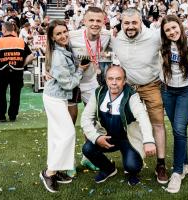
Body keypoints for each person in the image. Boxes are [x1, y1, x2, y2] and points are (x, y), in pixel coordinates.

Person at [111, 8, 168, 184]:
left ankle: (161, 164)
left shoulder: (155, 36)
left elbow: (179, 41)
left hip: (151, 85)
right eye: (126, 23)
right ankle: (133, 159)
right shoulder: (115, 38)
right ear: (121, 23)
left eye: (134, 22)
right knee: (129, 124)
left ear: (141, 22)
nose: (130, 27)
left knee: (157, 123)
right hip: (128, 88)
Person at [81, 65, 156, 186]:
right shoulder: (99, 93)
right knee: (87, 149)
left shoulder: (132, 95)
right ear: (106, 80)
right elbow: (85, 118)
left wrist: (148, 140)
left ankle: (132, 171)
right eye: (110, 78)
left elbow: (143, 117)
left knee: (132, 166)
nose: (114, 82)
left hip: (128, 139)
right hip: (107, 138)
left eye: (118, 79)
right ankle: (108, 169)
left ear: (124, 81)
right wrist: (96, 138)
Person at [39, 20, 88, 193]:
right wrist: (81, 70)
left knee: (57, 135)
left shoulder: (64, 48)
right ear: (52, 38)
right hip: (55, 98)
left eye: (65, 31)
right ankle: (49, 172)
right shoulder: (59, 55)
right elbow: (68, 84)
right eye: (58, 34)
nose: (63, 35)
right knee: (67, 133)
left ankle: (57, 169)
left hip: (57, 97)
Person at [68, 6, 112, 174]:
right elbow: (53, 45)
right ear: (84, 21)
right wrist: (48, 70)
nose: (95, 24)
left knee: (91, 121)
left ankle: (88, 158)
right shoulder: (72, 36)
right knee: (69, 123)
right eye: (91, 20)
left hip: (90, 82)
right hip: (71, 83)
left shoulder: (107, 36)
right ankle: (68, 161)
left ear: (103, 22)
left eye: (98, 20)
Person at [160, 15, 188, 193]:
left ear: (181, 27)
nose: (172, 32)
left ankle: (176, 173)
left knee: (179, 128)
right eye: (167, 30)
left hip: (187, 90)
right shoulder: (160, 44)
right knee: (177, 129)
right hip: (167, 90)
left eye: (174, 28)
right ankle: (184, 164)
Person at [0, 21, 34, 122]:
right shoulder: (20, 41)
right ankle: (12, 115)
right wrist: (22, 65)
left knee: (1, 93)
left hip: (2, 70)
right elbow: (31, 56)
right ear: (13, 29)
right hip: (17, 71)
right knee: (15, 94)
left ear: (4, 30)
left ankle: (1, 116)